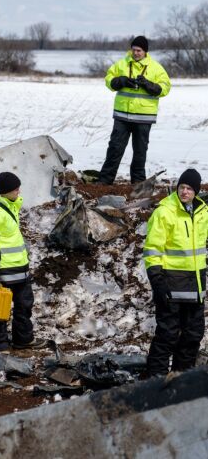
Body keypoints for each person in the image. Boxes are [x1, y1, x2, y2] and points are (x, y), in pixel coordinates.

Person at [143, 169, 208, 376]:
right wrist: (157, 281)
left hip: (196, 287)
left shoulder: (202, 212)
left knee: (192, 335)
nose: (185, 192)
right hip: (171, 286)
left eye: (189, 188)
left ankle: (181, 381)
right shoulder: (164, 212)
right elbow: (153, 249)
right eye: (182, 187)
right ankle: (155, 384)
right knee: (167, 336)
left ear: (196, 191)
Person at [0, 172, 46, 353]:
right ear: (5, 191)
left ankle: (23, 340)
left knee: (24, 305)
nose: (19, 191)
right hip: (0, 270)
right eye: (15, 189)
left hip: (18, 270)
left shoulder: (9, 206)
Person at [98, 36, 171, 185]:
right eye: (134, 50)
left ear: (145, 51)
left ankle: (138, 183)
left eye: (139, 50)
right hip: (122, 115)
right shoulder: (121, 64)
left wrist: (148, 85)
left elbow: (165, 88)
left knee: (140, 152)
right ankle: (104, 181)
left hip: (144, 118)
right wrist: (121, 81)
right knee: (114, 149)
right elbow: (108, 80)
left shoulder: (156, 67)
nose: (136, 53)